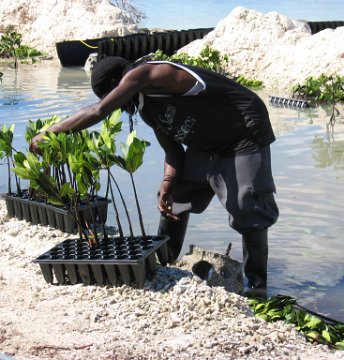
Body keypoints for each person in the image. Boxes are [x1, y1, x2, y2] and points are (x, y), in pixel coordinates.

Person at [30, 56, 279, 292]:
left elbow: (97, 111)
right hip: (208, 142)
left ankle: (256, 288)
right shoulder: (149, 109)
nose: (120, 107)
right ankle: (164, 263)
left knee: (249, 207)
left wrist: (51, 132)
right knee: (175, 199)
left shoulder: (149, 73)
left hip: (243, 131)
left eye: (115, 97)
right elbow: (173, 153)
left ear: (119, 85)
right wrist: (167, 183)